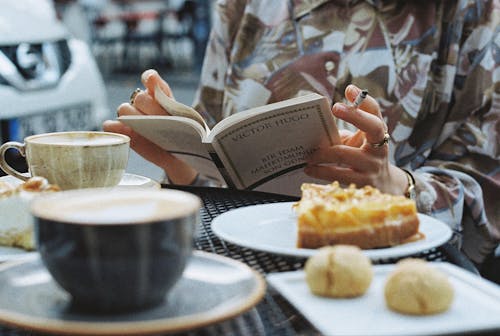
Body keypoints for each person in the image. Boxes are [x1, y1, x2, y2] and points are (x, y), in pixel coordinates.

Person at [103, 0, 499, 271]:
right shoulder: (243, 6)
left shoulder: (471, 10)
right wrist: (181, 164)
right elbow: (216, 152)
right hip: (244, 273)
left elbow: (488, 192)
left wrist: (400, 190)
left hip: (388, 281)